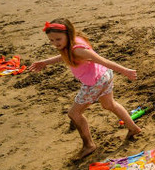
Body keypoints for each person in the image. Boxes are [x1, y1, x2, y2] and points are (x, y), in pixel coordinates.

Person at [28, 19, 141, 158]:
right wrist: (45, 62)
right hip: (104, 75)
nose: (55, 43)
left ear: (68, 34)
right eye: (51, 40)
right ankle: (133, 128)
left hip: (95, 82)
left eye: (58, 39)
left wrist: (125, 71)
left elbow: (102, 60)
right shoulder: (72, 43)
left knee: (74, 113)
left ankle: (89, 145)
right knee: (109, 104)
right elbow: (64, 56)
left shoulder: (78, 50)